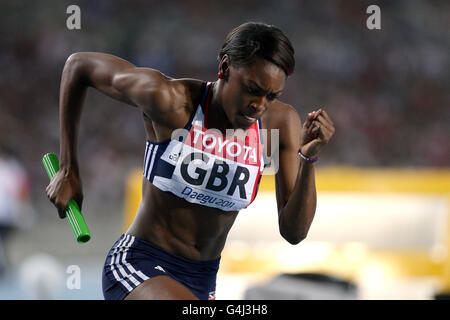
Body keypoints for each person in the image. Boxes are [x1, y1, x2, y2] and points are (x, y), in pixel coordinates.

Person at [46, 22, 334, 300]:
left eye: (272, 96)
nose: (259, 106)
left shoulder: (278, 124)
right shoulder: (170, 102)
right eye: (252, 89)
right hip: (140, 263)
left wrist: (308, 158)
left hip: (202, 279)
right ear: (224, 68)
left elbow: (293, 233)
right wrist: (68, 168)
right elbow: (78, 65)